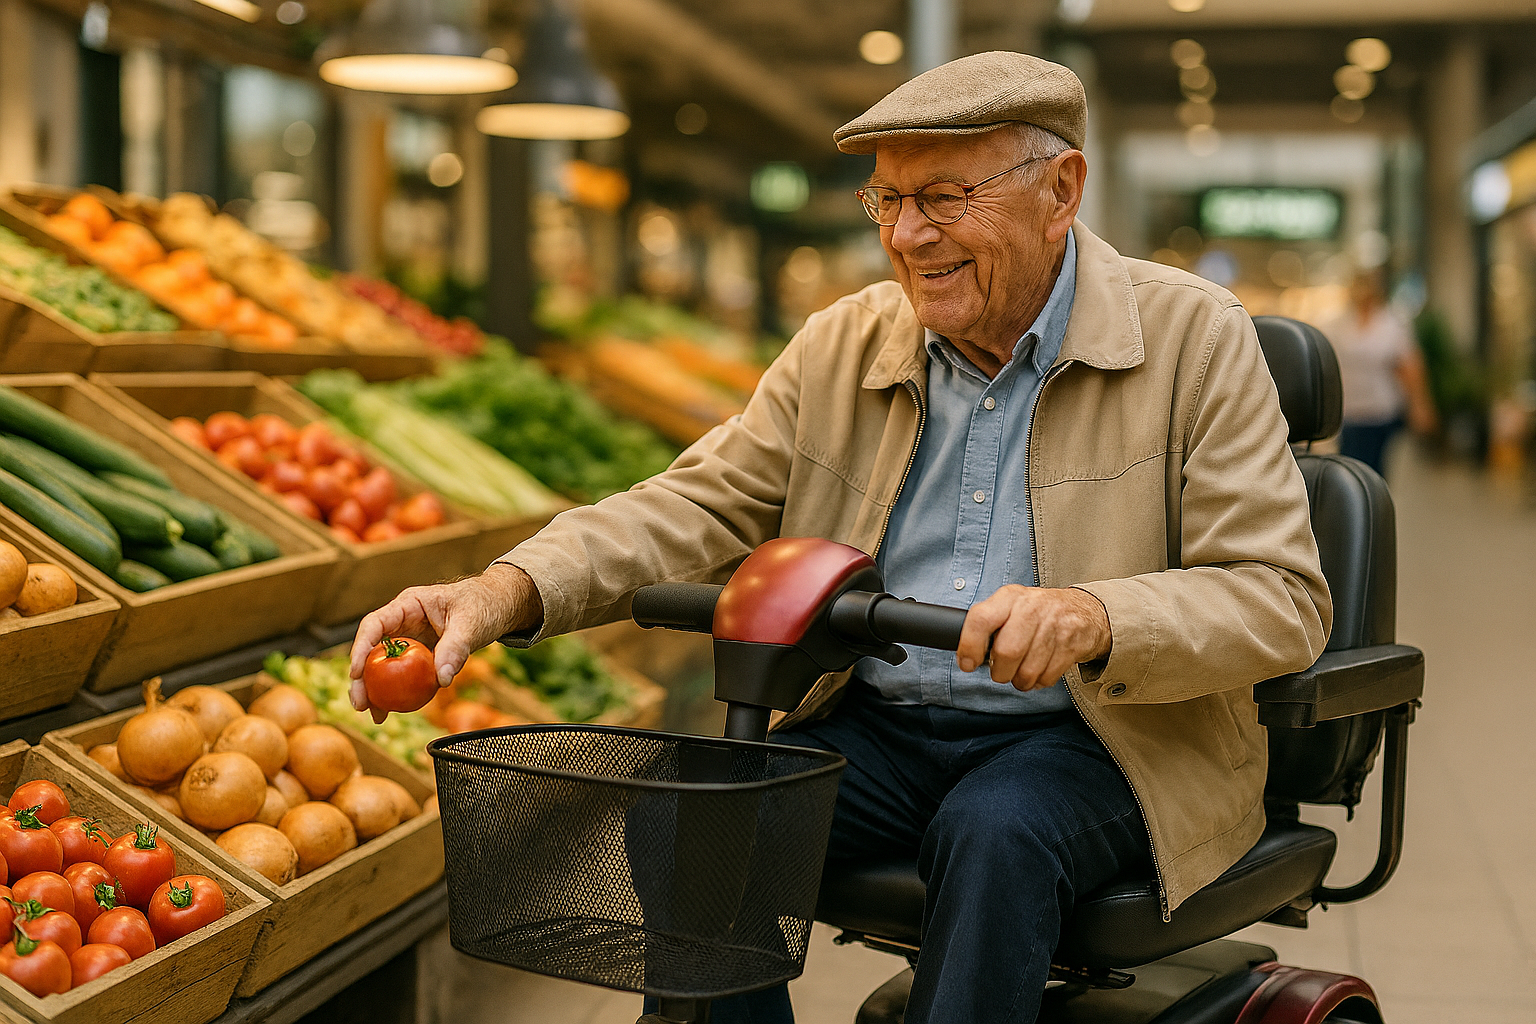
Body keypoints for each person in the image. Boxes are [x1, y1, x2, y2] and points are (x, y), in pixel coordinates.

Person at [349, 52, 1331, 1024]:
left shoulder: (1196, 339)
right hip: (886, 726)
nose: (906, 236)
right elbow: (689, 505)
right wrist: (502, 590)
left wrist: (1095, 614)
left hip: (1105, 735)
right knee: (693, 825)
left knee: (994, 833)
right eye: (887, 201)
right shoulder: (843, 343)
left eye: (943, 199)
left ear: (1061, 190)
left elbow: (1280, 596)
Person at [1322, 270, 1437, 477]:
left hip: (1380, 410)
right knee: (1350, 468)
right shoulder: (1338, 324)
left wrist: (1419, 404)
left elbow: (1409, 367)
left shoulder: (1391, 324)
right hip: (1349, 410)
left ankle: (1375, 506)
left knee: (1375, 470)